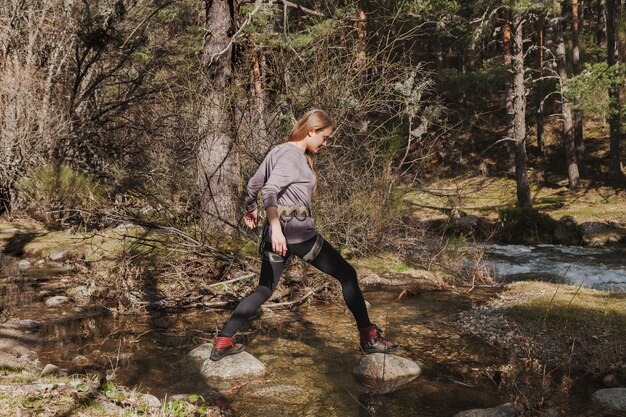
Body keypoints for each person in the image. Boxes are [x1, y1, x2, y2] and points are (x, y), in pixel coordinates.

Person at [210, 109, 399, 361]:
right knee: (348, 275)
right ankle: (369, 338)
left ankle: (223, 341)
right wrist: (277, 229)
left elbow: (252, 185)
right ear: (311, 131)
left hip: (274, 235)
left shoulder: (277, 150)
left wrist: (250, 208)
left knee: (264, 290)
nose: (326, 143)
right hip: (298, 234)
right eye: (325, 137)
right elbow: (268, 190)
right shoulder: (291, 156)